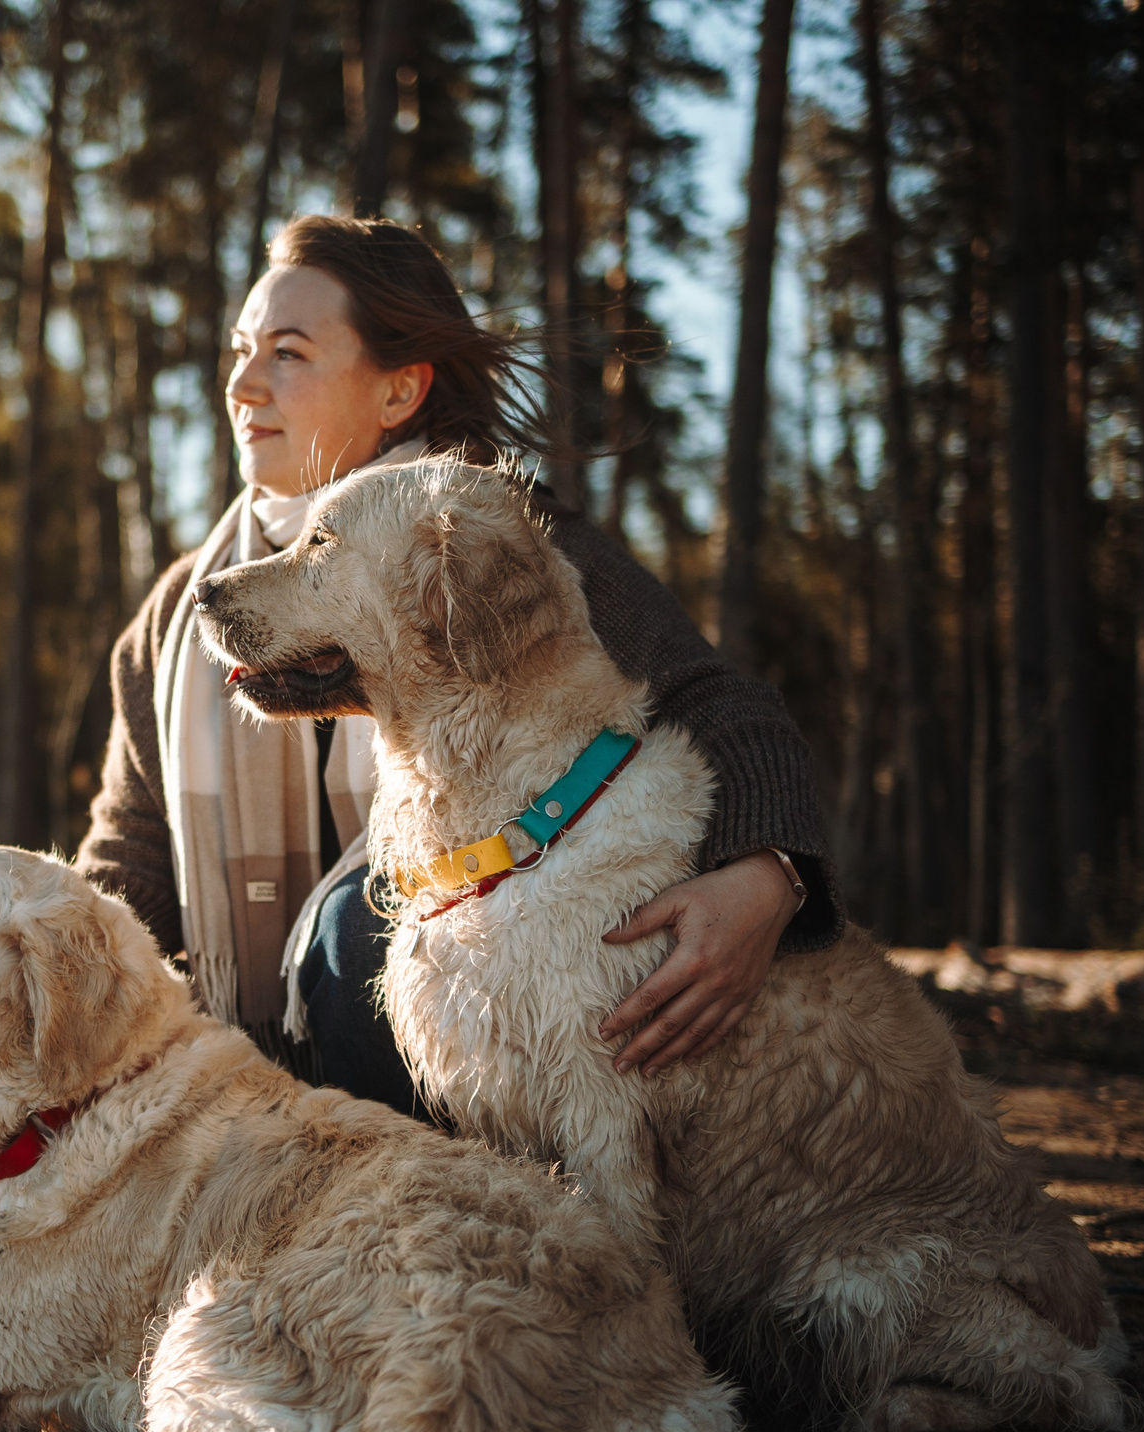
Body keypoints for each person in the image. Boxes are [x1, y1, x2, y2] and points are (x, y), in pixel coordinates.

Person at [74, 215, 837, 1117]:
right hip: (259, 1091)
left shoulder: (495, 553)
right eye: (240, 349)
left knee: (363, 928)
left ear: (399, 391)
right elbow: (132, 859)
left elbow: (718, 704)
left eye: (287, 353)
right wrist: (56, 964)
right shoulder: (180, 615)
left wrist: (768, 876)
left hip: (513, 1029)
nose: (242, 384)